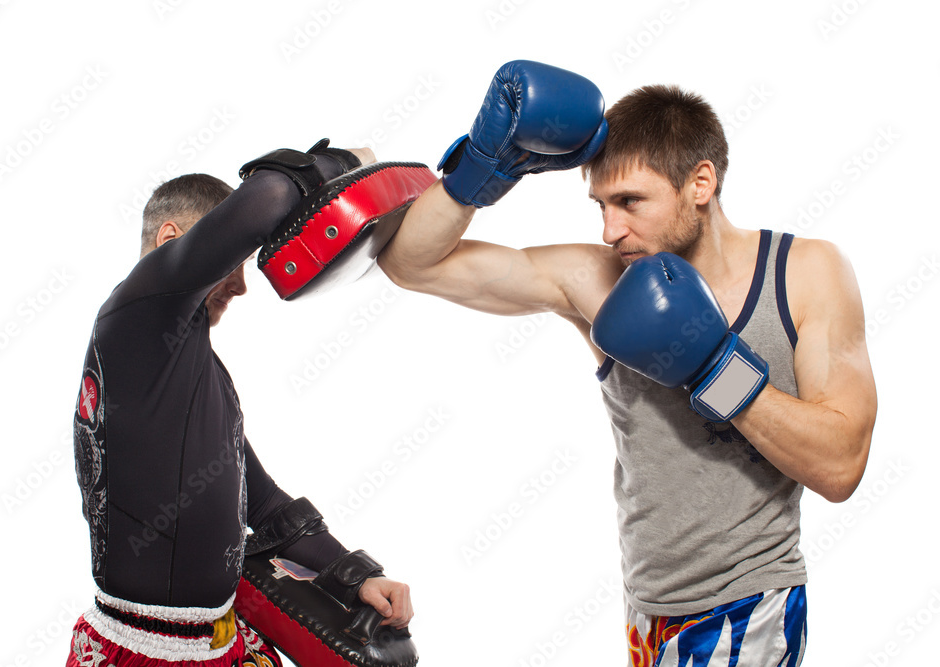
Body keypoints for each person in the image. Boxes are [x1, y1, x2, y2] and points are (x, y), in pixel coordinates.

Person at [377, 63, 876, 666]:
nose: (612, 228)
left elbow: (842, 465)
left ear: (700, 182)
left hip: (747, 602)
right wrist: (483, 170)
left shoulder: (804, 272)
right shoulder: (596, 279)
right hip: (647, 609)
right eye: (602, 205)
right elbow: (413, 266)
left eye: (630, 201)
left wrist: (716, 366)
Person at [68, 142, 412, 667]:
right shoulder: (131, 320)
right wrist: (346, 162)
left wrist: (353, 573)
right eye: (233, 261)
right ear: (171, 244)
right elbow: (271, 194)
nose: (244, 285)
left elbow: (264, 503)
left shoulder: (200, 372)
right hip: (137, 652)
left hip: (225, 641)